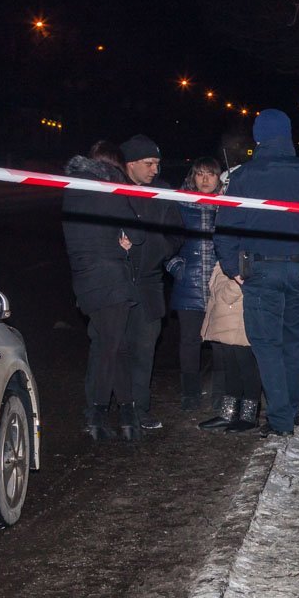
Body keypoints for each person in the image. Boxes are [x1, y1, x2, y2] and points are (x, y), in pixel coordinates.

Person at [213, 109, 299, 437]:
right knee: (297, 343)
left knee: (267, 345)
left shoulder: (244, 177)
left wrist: (234, 269)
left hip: (259, 270)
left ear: (259, 138)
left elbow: (225, 227)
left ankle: (281, 418)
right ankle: (289, 410)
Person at [62, 140, 143, 440]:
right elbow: (137, 234)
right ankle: (97, 415)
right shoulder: (113, 189)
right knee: (111, 349)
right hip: (111, 279)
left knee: (115, 345)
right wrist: (125, 239)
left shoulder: (71, 190)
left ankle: (128, 416)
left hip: (84, 281)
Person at [119, 134, 183, 431]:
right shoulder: (111, 190)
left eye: (157, 163)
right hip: (116, 283)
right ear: (130, 164)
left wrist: (156, 249)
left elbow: (176, 233)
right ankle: (109, 409)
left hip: (150, 284)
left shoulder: (163, 193)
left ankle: (140, 409)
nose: (155, 170)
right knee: (114, 349)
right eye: (148, 163)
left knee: (144, 350)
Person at [166, 157, 223, 411]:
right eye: (200, 174)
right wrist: (175, 266)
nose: (205, 179)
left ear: (219, 177)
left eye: (210, 174)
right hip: (189, 283)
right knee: (189, 342)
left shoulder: (228, 205)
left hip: (220, 283)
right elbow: (164, 240)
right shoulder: (180, 204)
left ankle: (221, 394)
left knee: (222, 342)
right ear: (193, 177)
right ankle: (189, 393)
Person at [197, 261, 262, 432]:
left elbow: (241, 281)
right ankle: (229, 413)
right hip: (227, 316)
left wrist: (228, 290)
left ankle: (249, 416)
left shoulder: (244, 252)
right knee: (231, 367)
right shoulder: (228, 255)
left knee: (246, 367)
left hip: (239, 315)